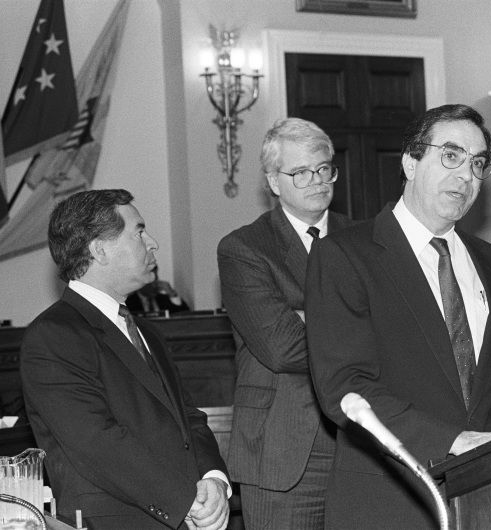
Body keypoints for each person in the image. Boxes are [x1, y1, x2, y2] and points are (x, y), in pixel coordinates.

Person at [305, 104, 491, 529]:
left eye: (478, 163)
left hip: (489, 494)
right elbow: (345, 389)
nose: (466, 174)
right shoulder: (346, 255)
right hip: (390, 497)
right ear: (410, 161)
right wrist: (453, 442)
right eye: (451, 155)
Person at [20, 189, 230, 530]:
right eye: (139, 231)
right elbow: (96, 442)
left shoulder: (147, 331)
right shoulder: (54, 335)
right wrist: (184, 501)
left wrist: (214, 479)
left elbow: (187, 419)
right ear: (99, 250)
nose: (153, 242)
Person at [217, 118, 354, 529]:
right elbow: (282, 348)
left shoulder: (367, 238)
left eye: (324, 168)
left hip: (362, 444)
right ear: (274, 182)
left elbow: (399, 326)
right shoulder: (244, 248)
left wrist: (307, 316)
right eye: (300, 172)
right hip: (284, 449)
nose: (317, 180)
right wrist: (356, 321)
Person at [125, 265, 190, 314]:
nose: (154, 284)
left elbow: (185, 316)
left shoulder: (164, 300)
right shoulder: (128, 303)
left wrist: (172, 294)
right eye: (151, 280)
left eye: (156, 279)